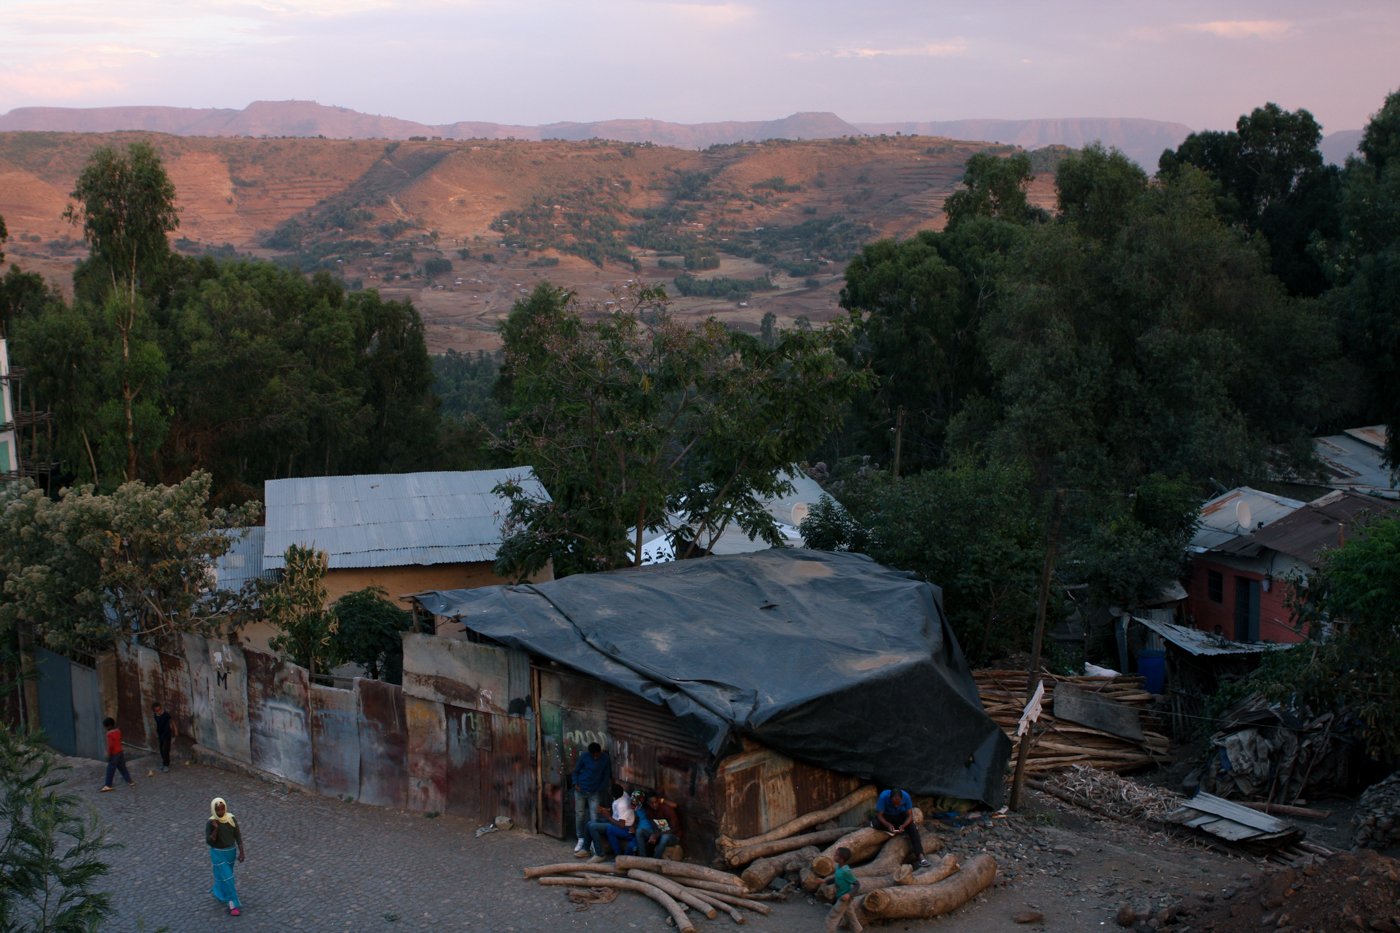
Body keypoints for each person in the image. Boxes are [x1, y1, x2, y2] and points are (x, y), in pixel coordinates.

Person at [570, 742, 611, 857]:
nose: (595, 757)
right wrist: (575, 783)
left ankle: (593, 842)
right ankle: (581, 838)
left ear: (600, 752)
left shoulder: (605, 759)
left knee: (594, 817)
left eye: (597, 755)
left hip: (595, 793)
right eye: (593, 755)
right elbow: (576, 771)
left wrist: (599, 788)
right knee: (580, 815)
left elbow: (606, 776)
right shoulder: (584, 756)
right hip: (580, 790)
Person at [207, 797, 246, 916]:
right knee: (229, 878)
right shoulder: (211, 822)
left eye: (222, 809)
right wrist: (215, 829)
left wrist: (241, 851)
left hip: (230, 853)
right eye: (218, 810)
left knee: (224, 877)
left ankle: (220, 891)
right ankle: (232, 905)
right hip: (218, 854)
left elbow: (237, 835)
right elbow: (210, 841)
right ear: (214, 810)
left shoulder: (231, 818)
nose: (221, 812)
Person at [872, 787, 929, 868]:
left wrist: (903, 825)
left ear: (902, 799)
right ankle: (892, 829)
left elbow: (910, 816)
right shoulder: (883, 796)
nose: (896, 805)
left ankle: (921, 857)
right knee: (875, 824)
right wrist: (887, 824)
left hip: (900, 815)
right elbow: (879, 815)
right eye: (894, 803)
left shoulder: (906, 797)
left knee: (912, 828)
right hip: (887, 816)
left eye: (898, 803)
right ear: (890, 798)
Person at [587, 783, 635, 862]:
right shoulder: (623, 794)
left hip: (624, 828)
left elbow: (621, 825)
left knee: (593, 827)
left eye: (610, 789)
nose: (608, 789)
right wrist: (606, 810)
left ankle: (600, 854)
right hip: (616, 820)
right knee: (589, 823)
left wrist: (608, 816)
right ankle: (585, 849)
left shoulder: (622, 805)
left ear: (613, 795)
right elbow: (617, 812)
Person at [823, 845, 863, 933]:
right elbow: (836, 878)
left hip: (843, 898)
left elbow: (857, 884)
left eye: (836, 854)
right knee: (850, 915)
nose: (834, 855)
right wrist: (824, 882)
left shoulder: (846, 872)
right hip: (841, 895)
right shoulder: (838, 867)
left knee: (832, 917)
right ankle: (858, 930)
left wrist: (849, 894)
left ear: (841, 859)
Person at [639, 790, 681, 860]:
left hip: (673, 836)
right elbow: (655, 825)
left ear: (659, 801)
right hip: (660, 833)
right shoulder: (649, 811)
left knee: (665, 837)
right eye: (652, 803)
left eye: (656, 802)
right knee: (639, 831)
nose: (654, 805)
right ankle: (643, 859)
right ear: (648, 803)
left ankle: (655, 860)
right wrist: (654, 835)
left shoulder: (667, 809)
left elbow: (674, 829)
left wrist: (657, 835)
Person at [99, 717, 134, 792]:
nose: (105, 728)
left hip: (114, 754)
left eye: (106, 727)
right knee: (123, 768)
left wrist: (108, 754)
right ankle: (130, 781)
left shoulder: (109, 734)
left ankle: (108, 785)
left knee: (110, 769)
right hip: (120, 752)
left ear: (109, 726)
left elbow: (110, 746)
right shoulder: (118, 731)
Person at [152, 702, 176, 772]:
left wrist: (175, 730)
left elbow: (172, 721)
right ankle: (165, 762)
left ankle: (166, 765)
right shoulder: (155, 716)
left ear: (161, 708)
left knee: (165, 749)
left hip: (167, 734)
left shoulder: (165, 715)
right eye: (156, 710)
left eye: (159, 710)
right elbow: (157, 725)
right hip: (160, 735)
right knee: (161, 750)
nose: (158, 711)